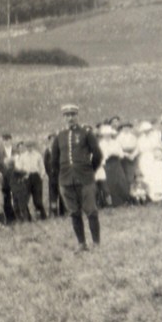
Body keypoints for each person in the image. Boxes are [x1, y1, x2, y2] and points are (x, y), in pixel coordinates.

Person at [51, 103, 103, 251]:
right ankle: (82, 244)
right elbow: (54, 161)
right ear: (63, 118)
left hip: (85, 179)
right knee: (74, 213)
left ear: (77, 116)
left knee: (91, 211)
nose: (70, 118)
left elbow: (97, 154)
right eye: (67, 116)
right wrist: (60, 176)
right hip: (66, 181)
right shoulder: (59, 136)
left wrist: (89, 170)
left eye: (73, 115)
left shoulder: (86, 133)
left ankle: (96, 244)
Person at [136, 121, 162, 203]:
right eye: (145, 130)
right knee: (147, 176)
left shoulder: (155, 137)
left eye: (148, 130)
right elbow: (139, 150)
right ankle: (150, 196)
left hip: (154, 157)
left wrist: (160, 154)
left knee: (158, 175)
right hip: (145, 159)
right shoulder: (140, 140)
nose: (147, 132)